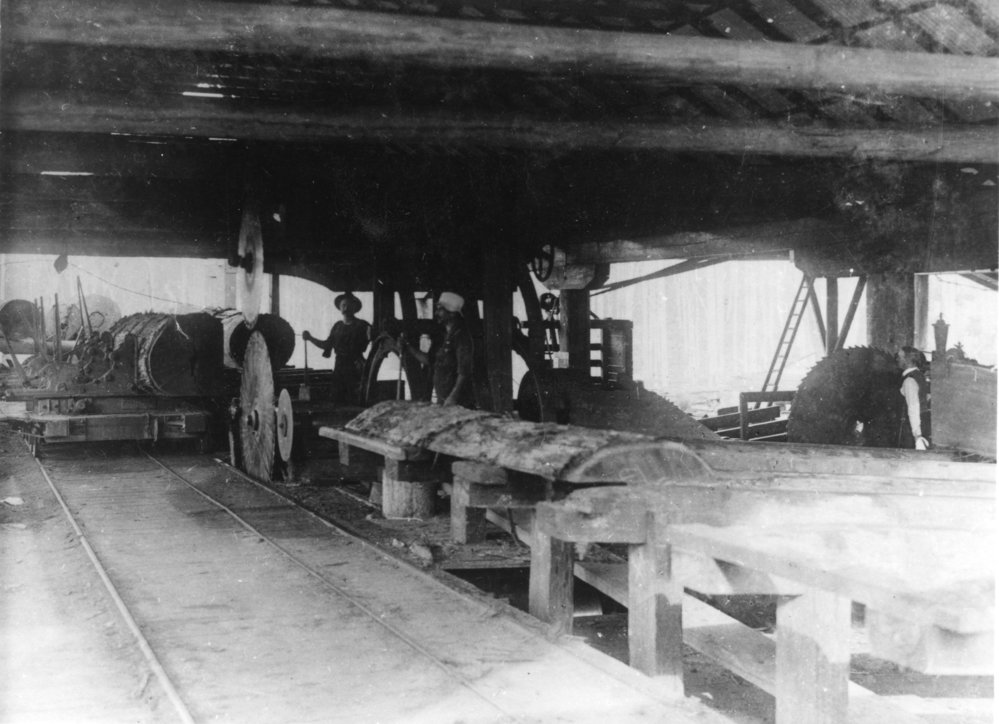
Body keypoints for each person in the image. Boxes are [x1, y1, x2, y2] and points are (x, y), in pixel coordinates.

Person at [399, 291, 475, 407]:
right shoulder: (443, 336)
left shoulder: (461, 336)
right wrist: (408, 347)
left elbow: (463, 371)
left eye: (440, 310)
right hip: (444, 400)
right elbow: (430, 361)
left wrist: (453, 397)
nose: (436, 313)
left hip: (458, 402)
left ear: (452, 313)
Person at [302, 293, 371, 404]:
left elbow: (375, 338)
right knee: (338, 399)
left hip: (356, 367)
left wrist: (370, 334)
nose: (346, 307)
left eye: (349, 305)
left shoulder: (362, 325)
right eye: (343, 304)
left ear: (355, 308)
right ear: (339, 307)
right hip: (339, 368)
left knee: (356, 400)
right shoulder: (337, 327)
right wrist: (310, 338)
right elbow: (326, 345)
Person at [896, 346, 930, 450]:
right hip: (923, 422)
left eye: (899, 357)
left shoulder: (909, 380)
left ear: (908, 360)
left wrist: (917, 436)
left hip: (912, 428)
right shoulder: (919, 375)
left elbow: (913, 408)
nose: (897, 359)